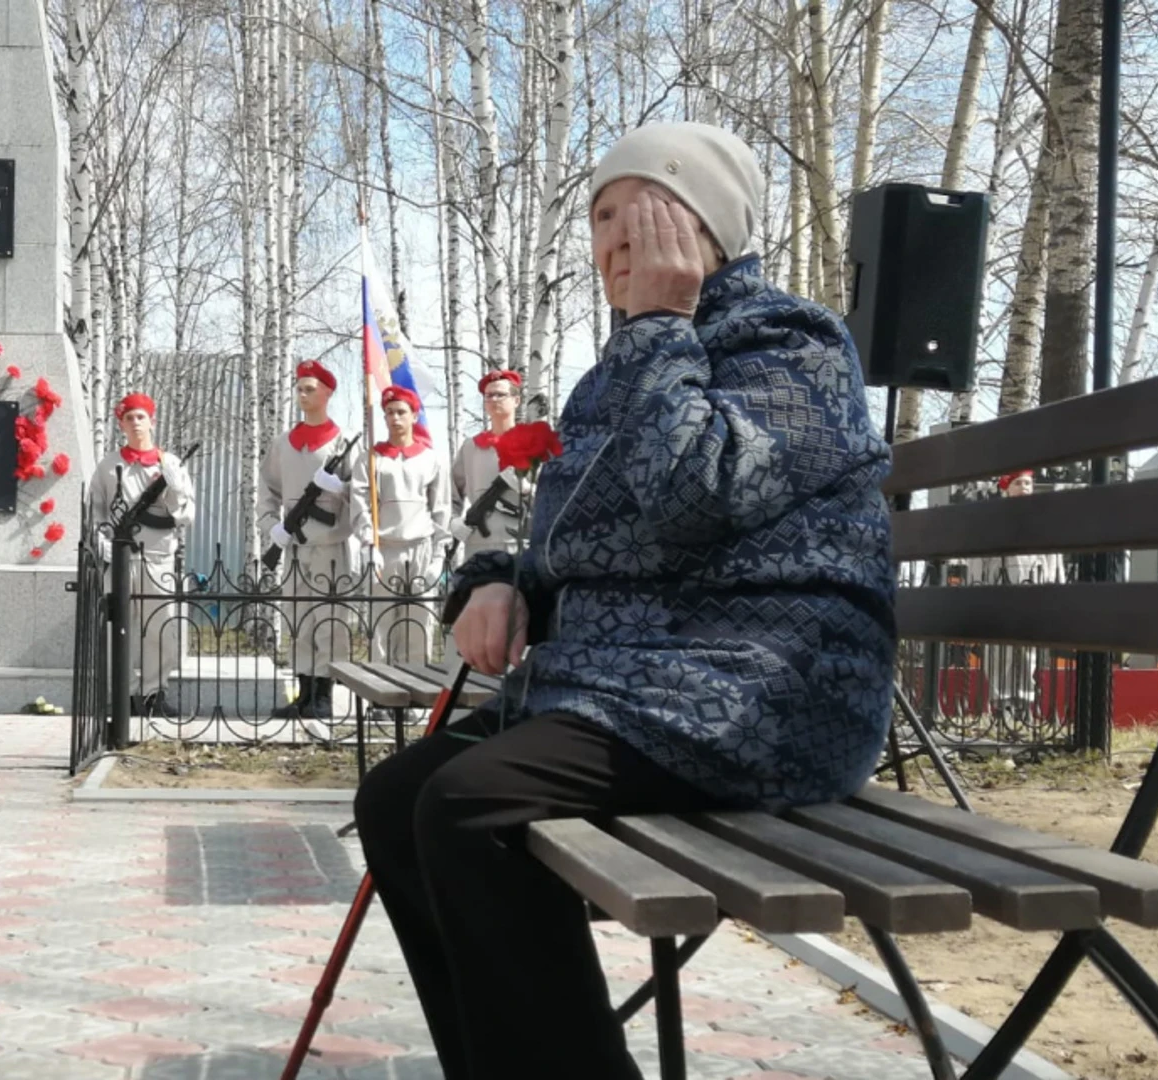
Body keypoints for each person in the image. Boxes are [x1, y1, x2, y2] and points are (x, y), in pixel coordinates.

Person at [351, 122, 896, 1079]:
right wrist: (493, 580)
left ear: (707, 227)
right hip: (645, 685)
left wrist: (656, 327)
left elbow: (698, 500)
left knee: (469, 807)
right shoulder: (621, 372)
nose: (611, 240)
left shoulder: (788, 341)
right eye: (599, 217)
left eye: (636, 211)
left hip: (764, 692)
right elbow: (581, 545)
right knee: (398, 798)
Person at [256, 360, 367, 722]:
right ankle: (303, 693)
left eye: (311, 388)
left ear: (328, 393)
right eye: (299, 388)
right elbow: (267, 490)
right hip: (294, 544)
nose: (303, 395)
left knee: (330, 621)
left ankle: (323, 694)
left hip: (331, 545)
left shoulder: (342, 442)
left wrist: (344, 489)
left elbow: (364, 495)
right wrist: (271, 524)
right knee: (298, 619)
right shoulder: (283, 444)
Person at [87, 392, 196, 718]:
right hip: (119, 557)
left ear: (152, 420)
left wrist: (174, 488)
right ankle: (120, 694)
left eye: (141, 417)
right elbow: (95, 511)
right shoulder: (109, 465)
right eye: (128, 417)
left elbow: (186, 514)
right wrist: (100, 539)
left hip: (157, 557)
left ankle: (153, 693)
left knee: (159, 627)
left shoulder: (170, 463)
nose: (135, 423)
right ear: (120, 423)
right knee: (118, 628)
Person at [367, 385, 450, 670]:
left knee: (417, 622)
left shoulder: (431, 459)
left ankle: (414, 691)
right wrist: (369, 544)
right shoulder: (373, 458)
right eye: (389, 412)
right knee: (381, 624)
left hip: (420, 548)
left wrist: (439, 556)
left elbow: (440, 509)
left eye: (401, 412)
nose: (394, 418)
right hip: (385, 549)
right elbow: (362, 503)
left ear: (414, 416)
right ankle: (381, 694)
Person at [978, 470, 1065, 717]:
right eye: (1019, 483)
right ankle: (1001, 701)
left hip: (1033, 589)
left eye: (1028, 483)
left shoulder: (1043, 520)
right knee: (1000, 651)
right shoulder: (993, 520)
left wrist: (1055, 584)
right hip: (1001, 589)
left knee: (1028, 651)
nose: (1025, 487)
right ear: (1007, 487)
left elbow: (1053, 556)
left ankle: (1024, 700)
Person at [451, 370, 531, 557]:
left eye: (500, 395)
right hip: (478, 545)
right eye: (489, 396)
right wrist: (454, 521)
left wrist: (528, 490)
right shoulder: (470, 447)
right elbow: (452, 494)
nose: (494, 400)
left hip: (522, 545)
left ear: (516, 400)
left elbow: (552, 496)